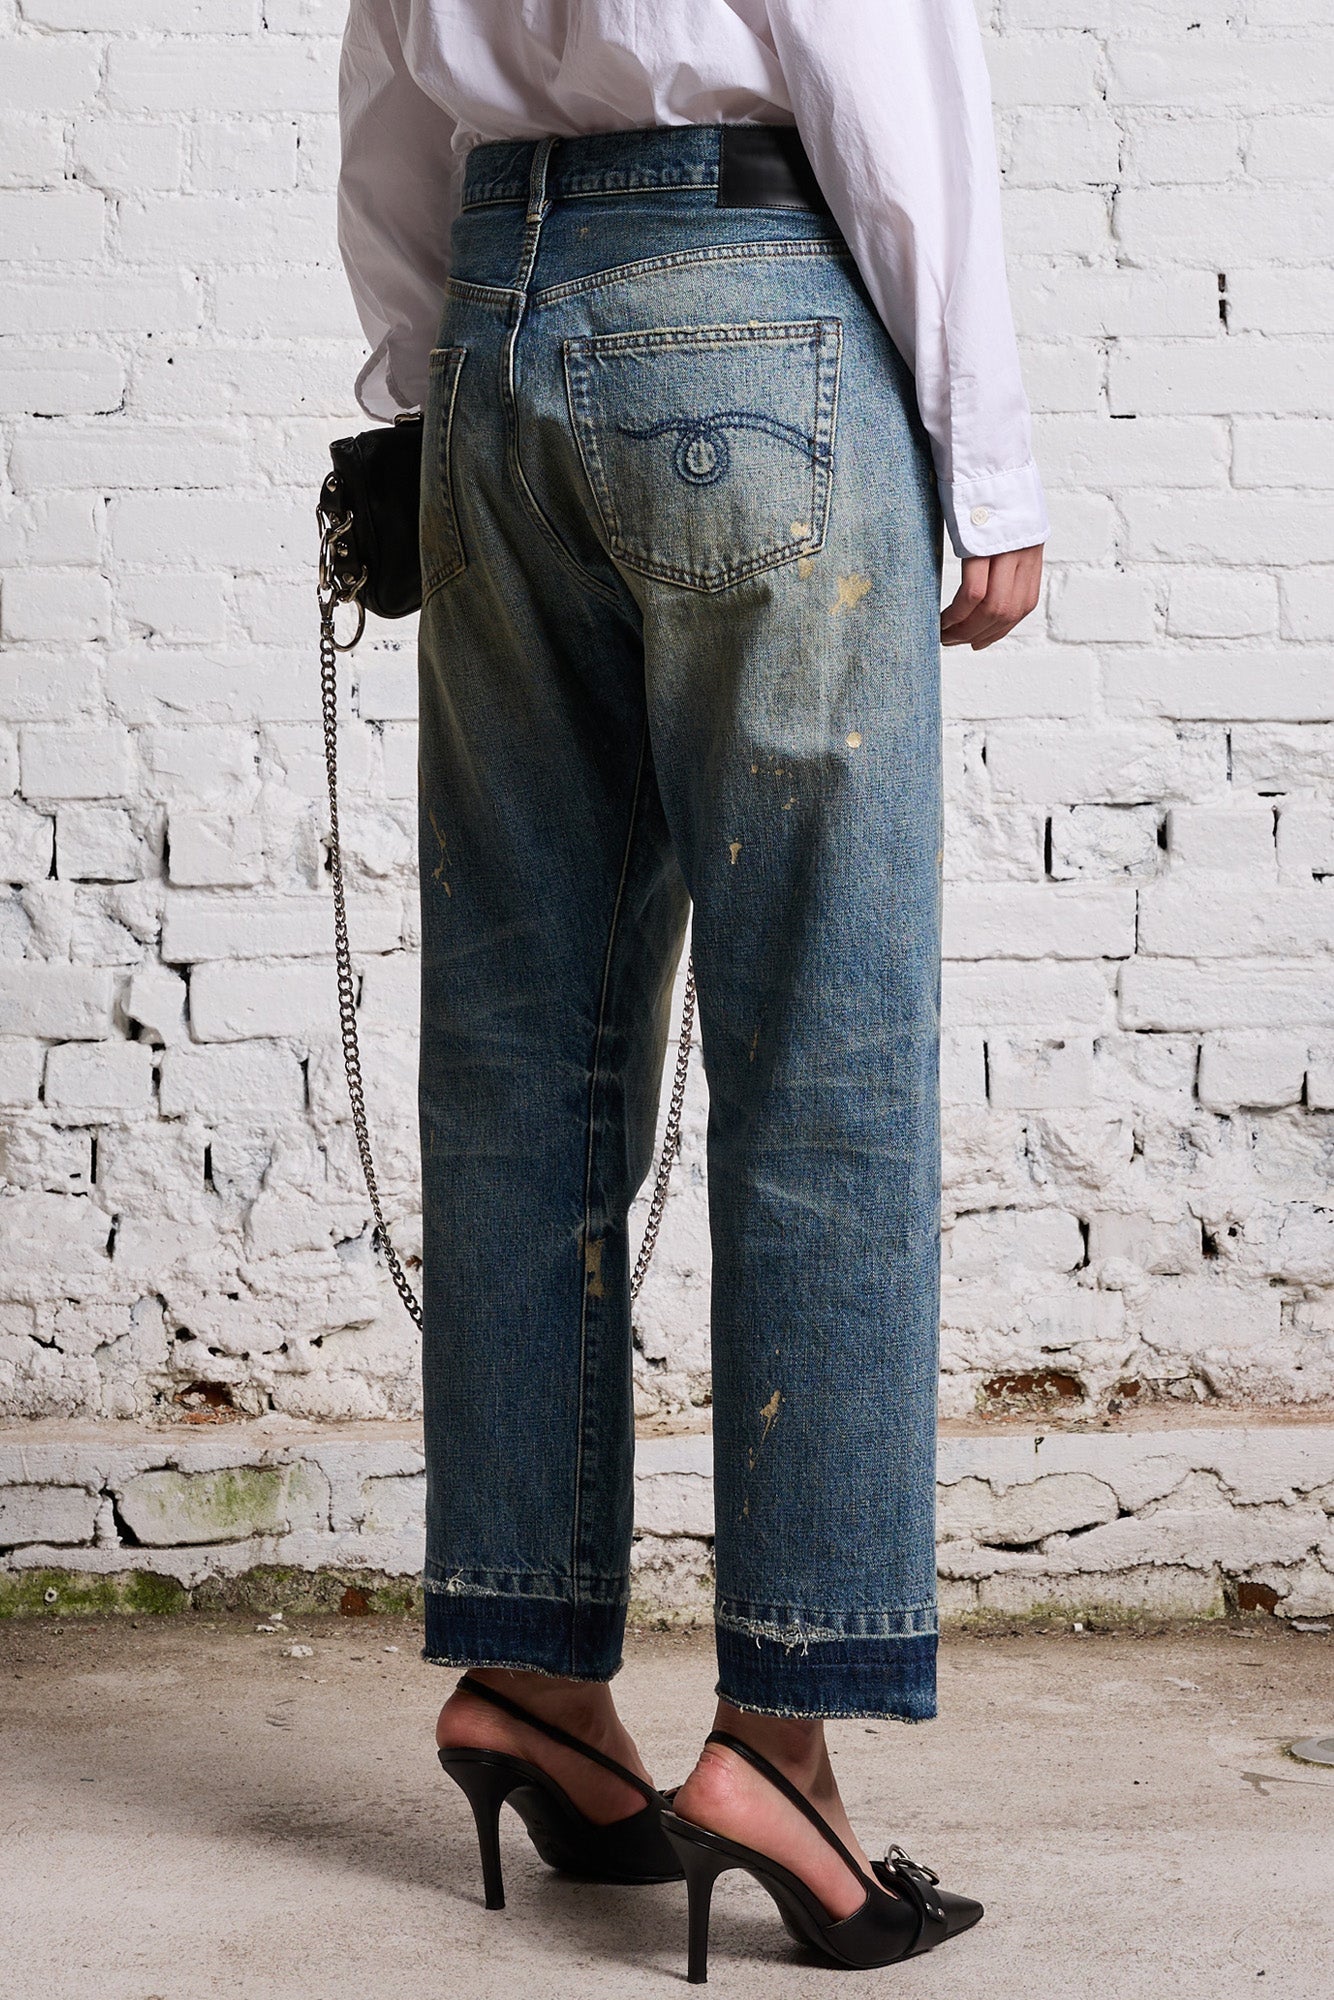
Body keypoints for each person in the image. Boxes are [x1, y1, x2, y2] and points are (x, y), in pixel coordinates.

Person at [338, 0, 1046, 1976]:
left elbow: (385, 87)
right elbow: (875, 60)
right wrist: (987, 455)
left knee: (522, 1051)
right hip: (746, 311)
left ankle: (528, 1682)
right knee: (823, 1054)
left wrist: (419, 389)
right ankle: (781, 1745)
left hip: (492, 330)